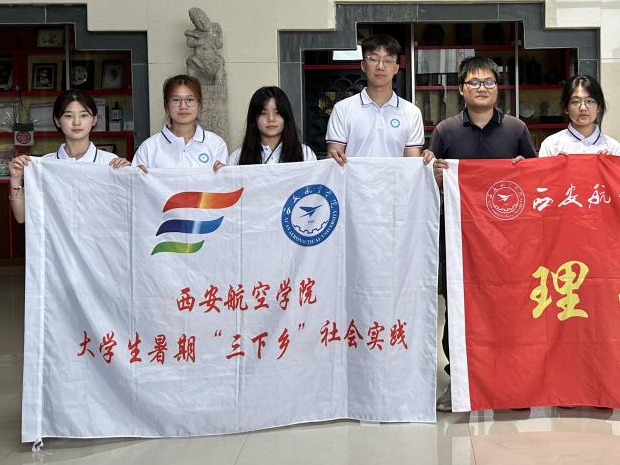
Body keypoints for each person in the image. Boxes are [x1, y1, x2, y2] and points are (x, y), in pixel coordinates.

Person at [429, 56, 537, 411]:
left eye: (488, 82)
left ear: (497, 88)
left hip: (507, 241)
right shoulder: (445, 131)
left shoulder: (516, 130)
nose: (481, 88)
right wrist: (435, 176)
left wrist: (525, 170)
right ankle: (459, 381)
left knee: (508, 309)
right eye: (474, 82)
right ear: (461, 89)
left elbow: (536, 180)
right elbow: (428, 183)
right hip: (458, 239)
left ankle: (510, 384)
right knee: (459, 309)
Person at [8, 89, 130, 223]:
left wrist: (133, 176)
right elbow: (21, 217)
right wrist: (16, 178)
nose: (77, 122)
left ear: (94, 119)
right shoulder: (45, 165)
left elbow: (126, 214)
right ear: (57, 121)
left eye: (84, 115)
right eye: (68, 116)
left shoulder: (110, 163)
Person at [325, 34, 431, 164]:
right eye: (374, 59)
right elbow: (334, 160)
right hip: (354, 178)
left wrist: (424, 160)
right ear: (363, 65)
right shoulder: (342, 109)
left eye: (388, 60)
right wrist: (332, 157)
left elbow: (411, 164)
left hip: (395, 179)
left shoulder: (412, 113)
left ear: (396, 68)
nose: (380, 66)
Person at [132, 74, 228, 171]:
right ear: (166, 105)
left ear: (199, 105)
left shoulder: (216, 144)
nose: (183, 106)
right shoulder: (149, 147)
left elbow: (224, 179)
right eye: (176, 100)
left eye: (190, 100)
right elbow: (135, 179)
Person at [220, 86, 316, 166]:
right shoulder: (238, 156)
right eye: (263, 113)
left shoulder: (305, 153)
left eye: (277, 112)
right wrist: (221, 173)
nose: (271, 119)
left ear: (286, 117)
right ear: (254, 119)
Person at [539, 74, 620, 156]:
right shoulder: (551, 145)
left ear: (599, 107)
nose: (583, 108)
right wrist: (555, 164)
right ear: (566, 108)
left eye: (589, 101)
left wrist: (609, 163)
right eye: (575, 101)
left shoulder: (613, 147)